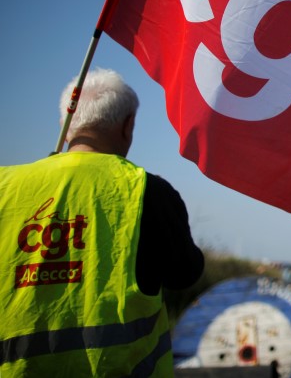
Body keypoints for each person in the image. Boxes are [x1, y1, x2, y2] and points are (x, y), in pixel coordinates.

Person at [0, 68, 204, 377]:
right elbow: (184, 273)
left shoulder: (4, 186)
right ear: (127, 126)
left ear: (64, 126)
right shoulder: (149, 192)